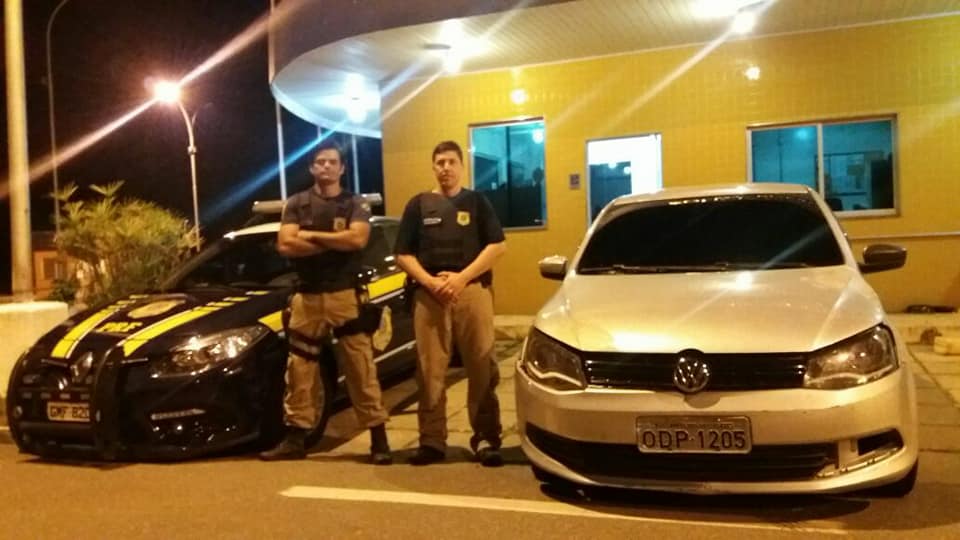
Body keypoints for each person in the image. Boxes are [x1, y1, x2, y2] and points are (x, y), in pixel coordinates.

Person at [259, 141, 392, 465]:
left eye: (332, 162)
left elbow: (357, 239)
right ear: (312, 167)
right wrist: (335, 242)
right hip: (307, 297)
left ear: (342, 168)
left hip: (345, 296)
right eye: (320, 162)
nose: (326, 167)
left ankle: (379, 439)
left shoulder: (354, 203)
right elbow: (285, 245)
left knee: (360, 368)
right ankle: (295, 439)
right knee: (299, 371)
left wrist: (309, 236)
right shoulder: (297, 203)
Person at [394, 140, 507, 467]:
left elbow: (497, 246)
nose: (445, 168)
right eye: (440, 162)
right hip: (429, 297)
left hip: (471, 292)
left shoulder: (477, 201)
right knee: (429, 370)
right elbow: (402, 254)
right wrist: (430, 282)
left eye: (451, 162)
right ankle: (431, 441)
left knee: (482, 366)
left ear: (461, 166)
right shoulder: (418, 205)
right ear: (433, 167)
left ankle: (486, 438)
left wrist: (460, 278)